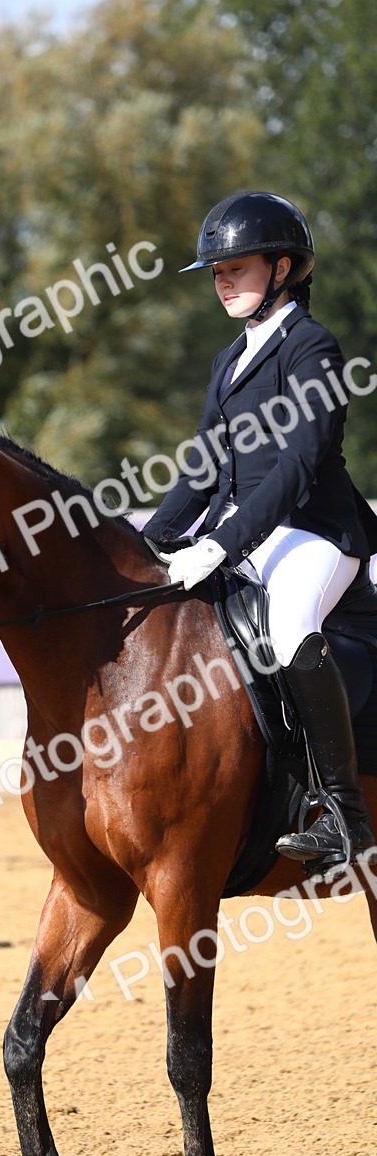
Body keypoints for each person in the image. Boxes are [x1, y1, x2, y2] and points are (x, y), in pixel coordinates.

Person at [143, 190, 377, 870]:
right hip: (246, 529)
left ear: (282, 269)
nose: (223, 282)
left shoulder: (313, 348)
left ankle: (344, 815)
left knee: (292, 625)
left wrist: (223, 542)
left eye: (236, 268)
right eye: (217, 272)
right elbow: (204, 466)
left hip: (316, 532)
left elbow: (300, 464)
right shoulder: (229, 361)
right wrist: (152, 540)